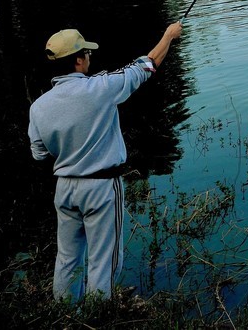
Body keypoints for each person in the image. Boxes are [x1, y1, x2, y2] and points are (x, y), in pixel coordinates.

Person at [28, 21, 182, 302]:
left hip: (65, 189)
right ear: (78, 60)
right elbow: (147, 66)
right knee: (104, 258)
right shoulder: (101, 87)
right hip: (101, 187)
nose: (89, 56)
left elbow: (39, 154)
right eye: (86, 53)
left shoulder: (38, 107)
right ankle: (99, 313)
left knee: (67, 258)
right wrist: (169, 36)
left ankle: (66, 313)